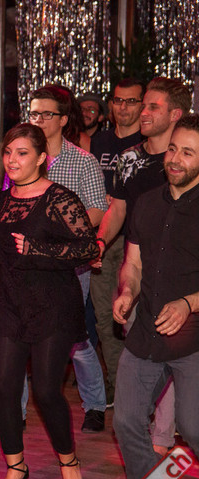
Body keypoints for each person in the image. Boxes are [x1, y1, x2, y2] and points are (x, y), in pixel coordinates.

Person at [0, 123, 98, 479]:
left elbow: (88, 249)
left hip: (53, 306)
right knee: (5, 389)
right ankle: (16, 466)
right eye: (8, 152)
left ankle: (68, 461)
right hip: (12, 306)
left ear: (42, 157)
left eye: (22, 153)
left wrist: (38, 250)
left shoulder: (60, 198)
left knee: (45, 390)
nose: (12, 160)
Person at [112, 114, 199, 479]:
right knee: (126, 422)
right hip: (146, 331)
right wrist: (127, 292)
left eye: (188, 152)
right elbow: (133, 262)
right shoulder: (146, 202)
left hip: (193, 339)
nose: (175, 159)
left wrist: (188, 303)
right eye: (173, 149)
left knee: (194, 428)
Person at [95, 77, 191, 456]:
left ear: (175, 115)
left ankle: (163, 439)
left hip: (182, 278)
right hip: (139, 269)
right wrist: (100, 241)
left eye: (152, 107)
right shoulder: (129, 159)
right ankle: (147, 433)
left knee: (178, 356)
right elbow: (118, 209)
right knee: (143, 350)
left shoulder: (187, 164)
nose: (142, 112)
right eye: (143, 105)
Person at [29, 85, 108, 433]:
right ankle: (12, 414)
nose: (38, 120)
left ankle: (95, 406)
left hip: (68, 262)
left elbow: (97, 209)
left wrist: (56, 229)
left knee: (74, 337)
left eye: (46, 114)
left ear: (62, 120)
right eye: (33, 113)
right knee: (23, 334)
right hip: (28, 261)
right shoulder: (23, 156)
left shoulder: (83, 161)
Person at [87, 78, 145, 406]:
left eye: (131, 101)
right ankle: (117, 387)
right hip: (104, 238)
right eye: (119, 100)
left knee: (135, 316)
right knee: (105, 317)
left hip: (137, 241)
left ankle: (139, 393)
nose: (123, 107)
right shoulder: (99, 141)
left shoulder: (148, 144)